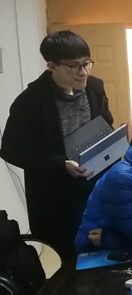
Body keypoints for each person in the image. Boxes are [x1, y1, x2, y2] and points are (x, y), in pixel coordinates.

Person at [0, 31, 113, 260]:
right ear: (52, 66)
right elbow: (11, 150)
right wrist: (60, 164)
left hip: (94, 181)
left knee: (97, 247)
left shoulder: (95, 87)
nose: (83, 72)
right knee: (65, 254)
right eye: (74, 66)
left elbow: (105, 122)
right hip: (54, 194)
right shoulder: (30, 101)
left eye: (86, 63)